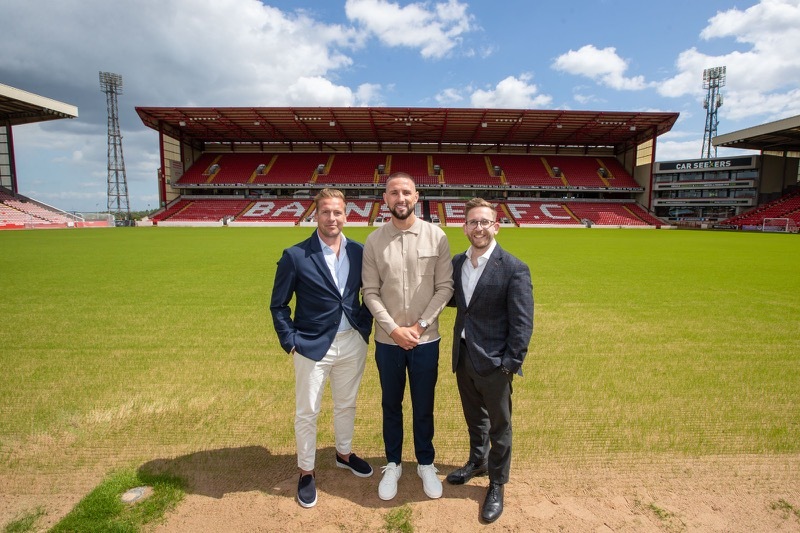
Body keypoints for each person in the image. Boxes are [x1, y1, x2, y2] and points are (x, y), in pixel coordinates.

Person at [270, 188, 374, 509]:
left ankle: (343, 454)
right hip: (311, 346)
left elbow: (370, 293)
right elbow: (279, 305)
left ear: (346, 215)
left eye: (338, 212)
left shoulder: (359, 251)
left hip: (351, 343)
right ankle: (306, 471)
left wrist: (363, 328)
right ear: (316, 215)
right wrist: (292, 343)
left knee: (346, 404)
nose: (332, 218)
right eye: (326, 212)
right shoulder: (295, 255)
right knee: (307, 411)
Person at [362, 172, 454, 501]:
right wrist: (394, 329)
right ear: (385, 199)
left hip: (426, 342)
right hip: (388, 342)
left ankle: (425, 463)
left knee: (424, 405)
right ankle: (393, 462)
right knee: (391, 404)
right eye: (393, 193)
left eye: (406, 192)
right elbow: (370, 292)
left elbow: (445, 287)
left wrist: (419, 327)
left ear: (416, 197)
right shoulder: (374, 241)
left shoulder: (437, 236)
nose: (400, 198)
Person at [446, 197, 534, 523]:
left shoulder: (513, 268)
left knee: (500, 426)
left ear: (496, 226)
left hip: (496, 363)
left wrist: (509, 364)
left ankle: (497, 483)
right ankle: (477, 462)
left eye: (485, 222)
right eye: (473, 222)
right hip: (464, 356)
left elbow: (522, 323)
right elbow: (453, 299)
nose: (479, 227)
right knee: (475, 419)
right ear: (464, 226)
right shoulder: (458, 262)